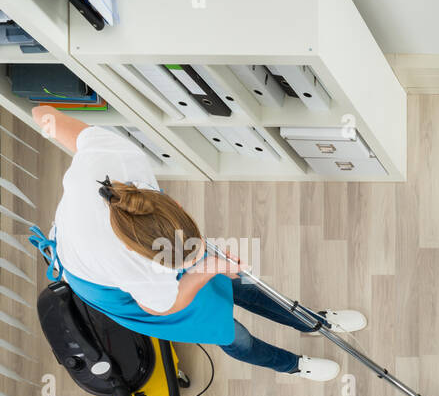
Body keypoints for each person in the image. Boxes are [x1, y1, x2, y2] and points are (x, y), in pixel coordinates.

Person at [33, 105, 364, 380]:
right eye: (177, 262)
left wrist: (209, 266)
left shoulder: (118, 158)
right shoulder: (132, 268)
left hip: (135, 239)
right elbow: (165, 305)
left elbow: (42, 112)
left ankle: (314, 321)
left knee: (241, 285)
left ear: (173, 206)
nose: (192, 257)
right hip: (107, 285)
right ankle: (294, 365)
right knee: (231, 333)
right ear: (149, 258)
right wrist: (208, 269)